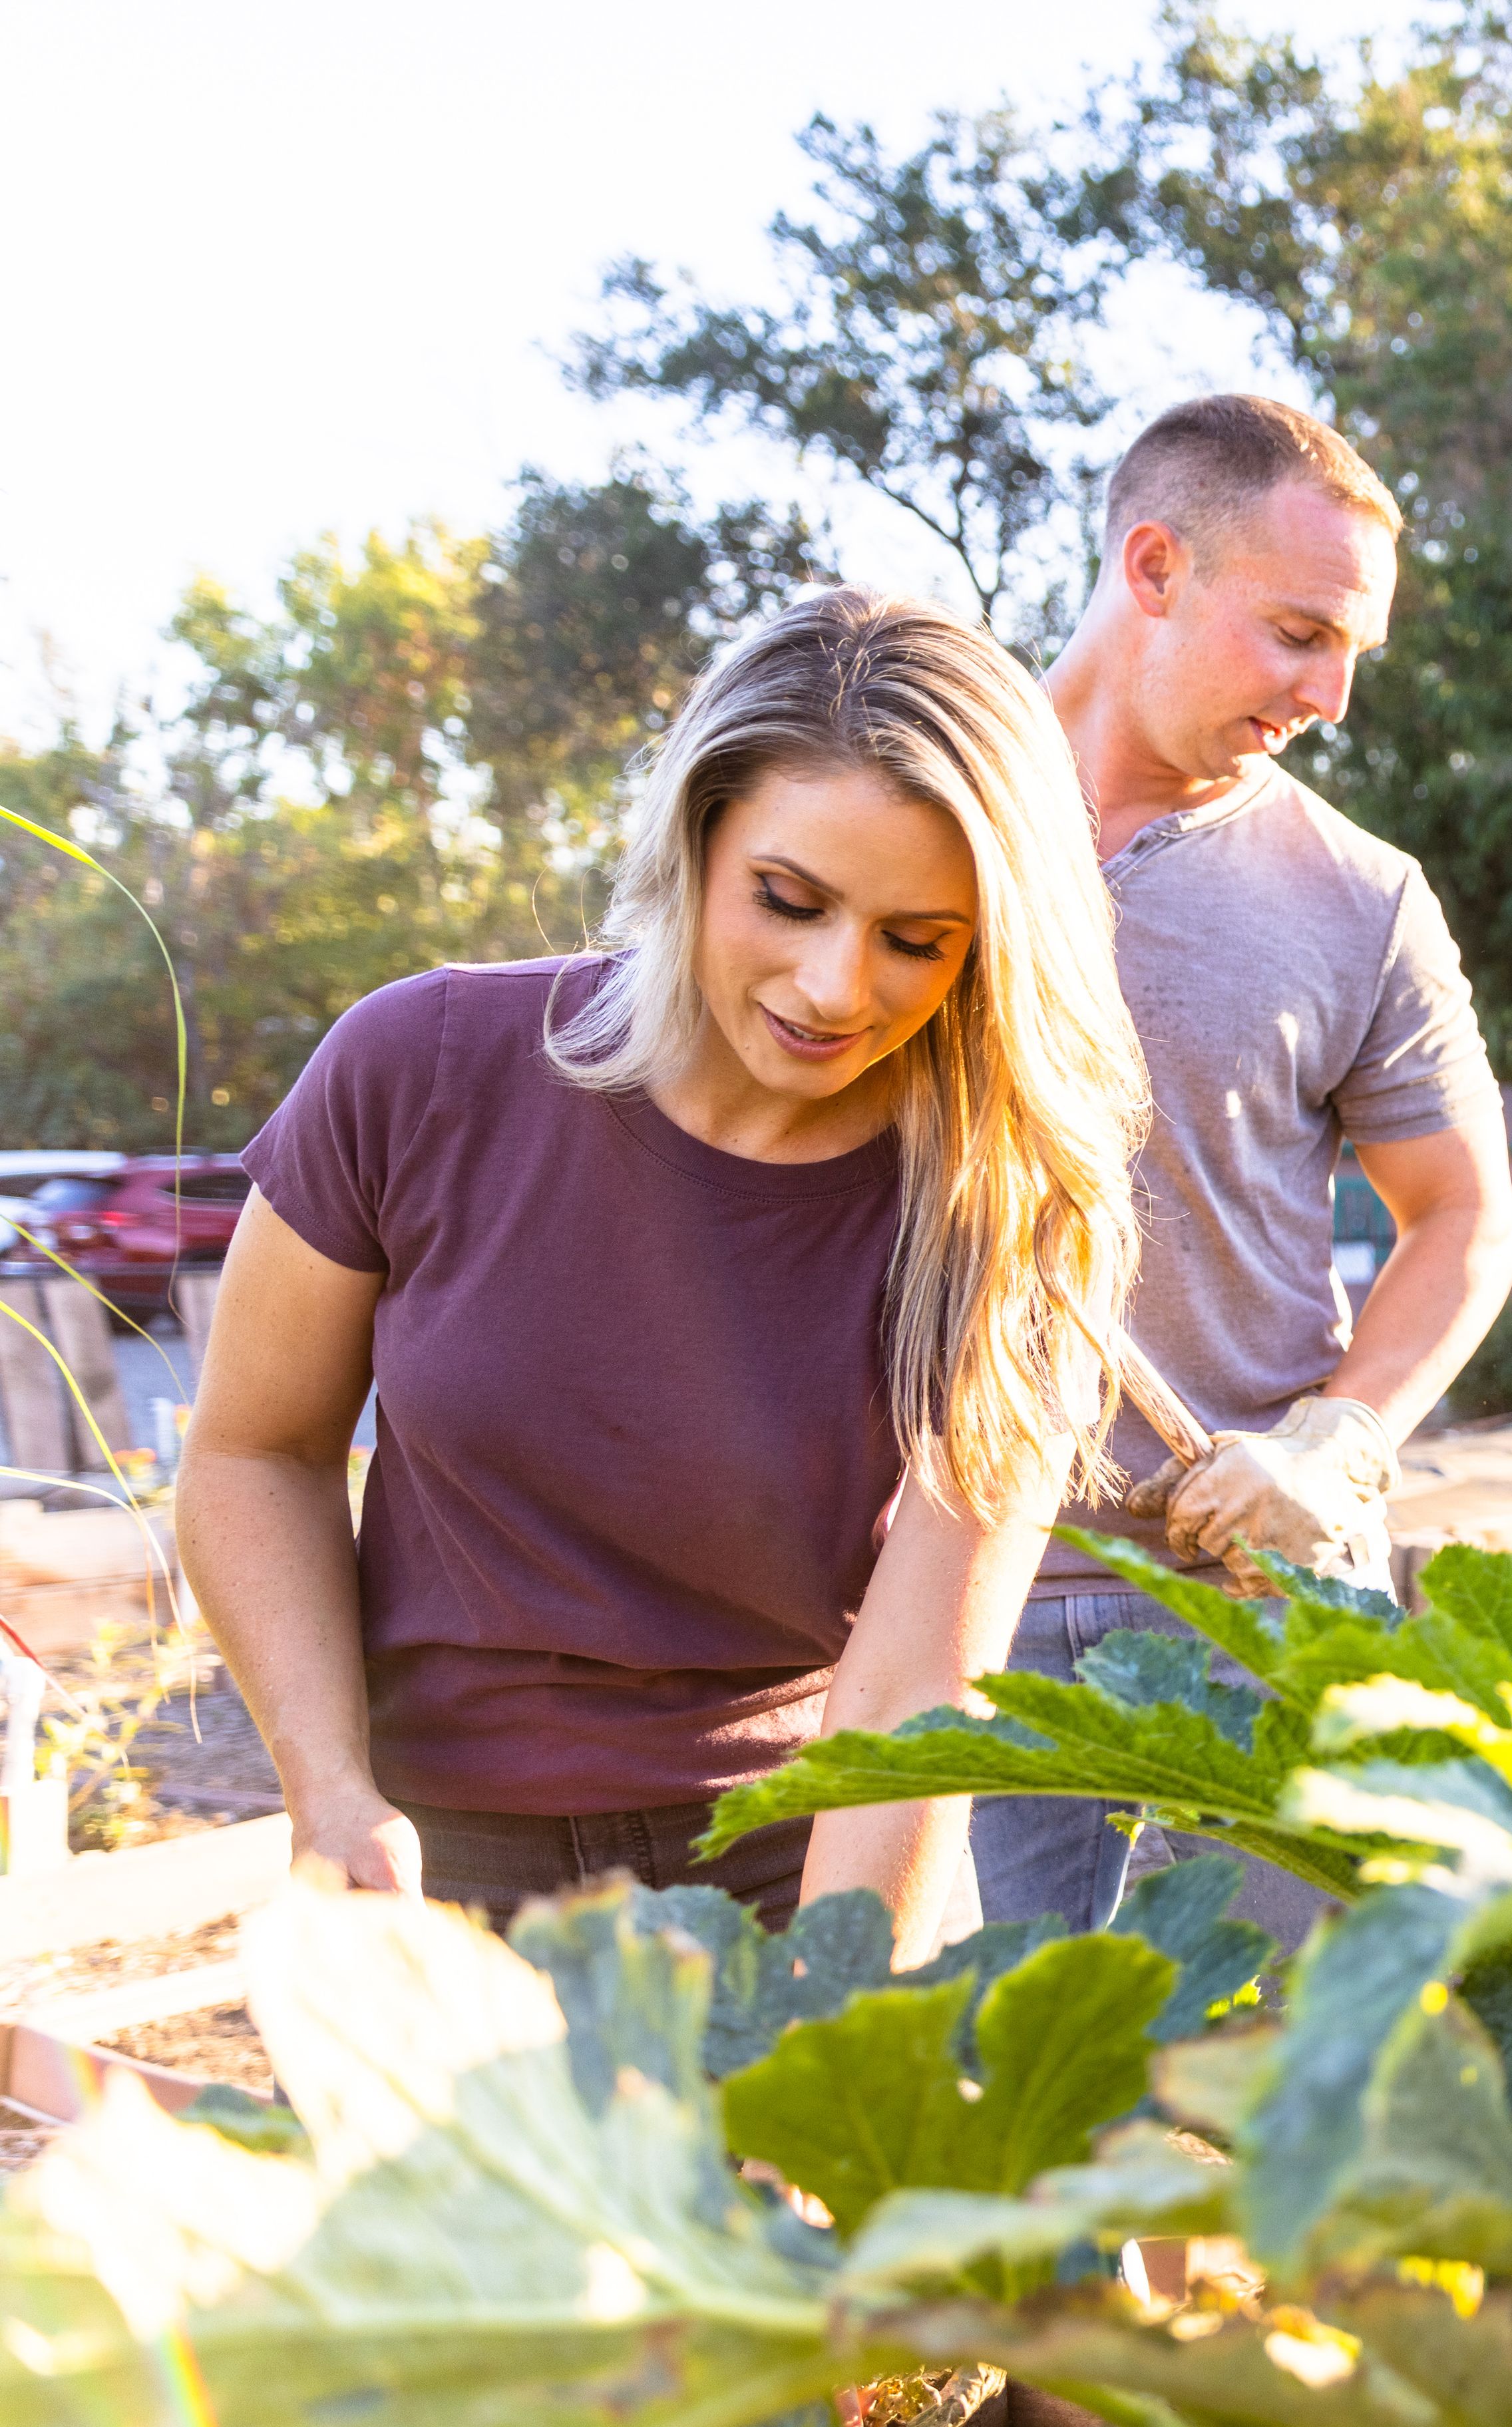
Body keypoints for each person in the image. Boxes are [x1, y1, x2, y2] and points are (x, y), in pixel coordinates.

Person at [179, 591, 1149, 1954]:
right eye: (789, 900)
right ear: (697, 837)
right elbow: (254, 1449)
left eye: (916, 940)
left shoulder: (1009, 1201)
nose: (832, 988)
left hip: (800, 1878)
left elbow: (922, 1680)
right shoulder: (419, 1066)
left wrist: (836, 2026)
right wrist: (328, 1792)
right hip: (425, 1880)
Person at [969, 394, 1512, 1940]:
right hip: (960, 1587)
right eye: (1298, 634)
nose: (1331, 694)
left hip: (1262, 1593)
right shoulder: (909, 829)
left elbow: (1464, 1219)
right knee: (995, 2091)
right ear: (1154, 566)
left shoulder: (1360, 897)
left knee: (1301, 2094)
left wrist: (1335, 1449)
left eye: (1352, 652)